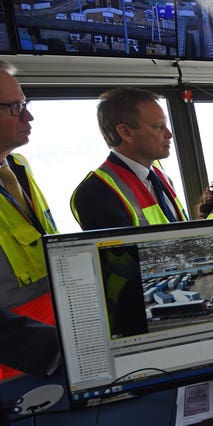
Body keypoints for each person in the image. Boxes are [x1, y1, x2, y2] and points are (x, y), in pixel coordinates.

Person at [0, 60, 60, 380]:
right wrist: (52, 352)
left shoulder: (19, 167)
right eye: (14, 107)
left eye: (25, 104)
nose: (28, 116)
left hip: (57, 349)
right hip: (13, 372)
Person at [71, 87, 188, 230]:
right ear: (126, 133)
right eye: (159, 127)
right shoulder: (97, 192)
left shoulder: (160, 176)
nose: (169, 134)